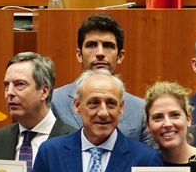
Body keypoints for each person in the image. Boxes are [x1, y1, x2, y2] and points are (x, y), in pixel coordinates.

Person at [51, 15, 150, 144]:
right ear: (79, 55)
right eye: (91, 45)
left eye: (108, 46)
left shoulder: (140, 109)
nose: (100, 53)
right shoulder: (54, 102)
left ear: (120, 56)